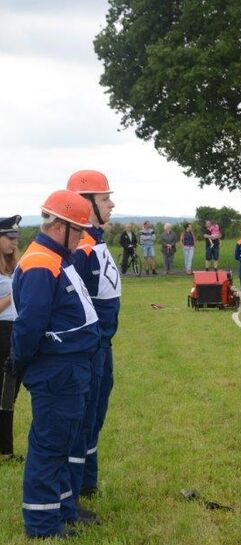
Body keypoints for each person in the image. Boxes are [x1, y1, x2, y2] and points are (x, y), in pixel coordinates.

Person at [12, 190, 100, 538]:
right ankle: (43, 524)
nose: (81, 238)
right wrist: (30, 364)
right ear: (59, 225)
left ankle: (63, 508)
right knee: (49, 447)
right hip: (57, 371)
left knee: (62, 443)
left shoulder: (56, 258)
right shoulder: (40, 264)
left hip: (68, 368)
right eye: (77, 230)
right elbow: (29, 326)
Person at [67, 170, 121, 504]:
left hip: (103, 343)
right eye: (104, 199)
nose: (112, 204)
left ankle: (87, 479)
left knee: (95, 415)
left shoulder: (96, 242)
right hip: (91, 346)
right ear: (85, 204)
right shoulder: (82, 249)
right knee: (85, 416)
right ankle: (77, 484)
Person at [0, 215, 22, 461]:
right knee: (4, 393)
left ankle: (5, 449)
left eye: (16, 238)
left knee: (9, 394)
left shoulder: (13, 267)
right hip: (2, 332)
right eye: (8, 238)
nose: (14, 243)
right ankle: (5, 451)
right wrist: (14, 293)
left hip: (15, 329)